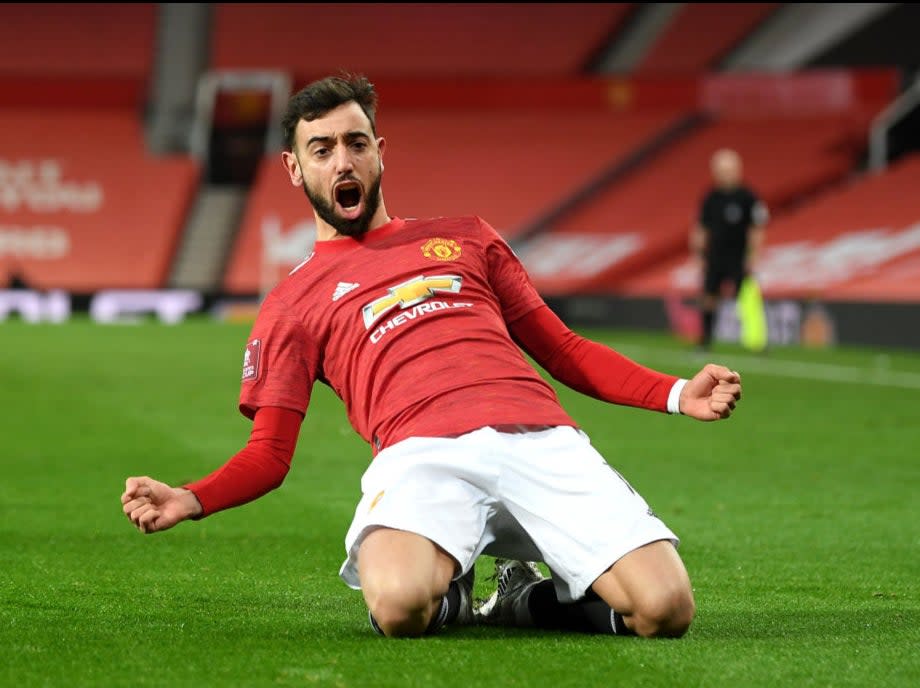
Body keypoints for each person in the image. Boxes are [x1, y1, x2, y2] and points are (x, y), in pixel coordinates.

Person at [121, 73, 744, 640]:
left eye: (356, 143)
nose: (344, 160)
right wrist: (189, 497)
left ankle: (523, 600)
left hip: (542, 440)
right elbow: (270, 454)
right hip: (421, 457)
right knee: (397, 608)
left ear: (379, 150)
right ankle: (453, 585)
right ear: (294, 168)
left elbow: (564, 350)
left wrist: (673, 392)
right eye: (323, 149)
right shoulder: (291, 303)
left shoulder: (468, 237)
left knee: (666, 610)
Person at [690, 148, 769, 350]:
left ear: (738, 170)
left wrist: (753, 254)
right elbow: (700, 227)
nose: (725, 173)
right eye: (721, 169)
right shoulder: (710, 198)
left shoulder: (748, 197)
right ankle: (705, 341)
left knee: (748, 298)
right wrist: (698, 254)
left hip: (739, 257)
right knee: (709, 297)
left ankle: (757, 343)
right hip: (715, 256)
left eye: (729, 169)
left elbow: (756, 227)